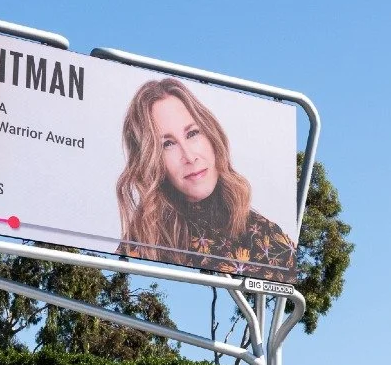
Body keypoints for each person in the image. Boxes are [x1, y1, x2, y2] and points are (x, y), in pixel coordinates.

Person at [116, 77, 295, 279]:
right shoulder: (142, 243)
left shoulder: (266, 236)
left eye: (192, 133)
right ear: (150, 161)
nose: (189, 156)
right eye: (167, 144)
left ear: (212, 136)